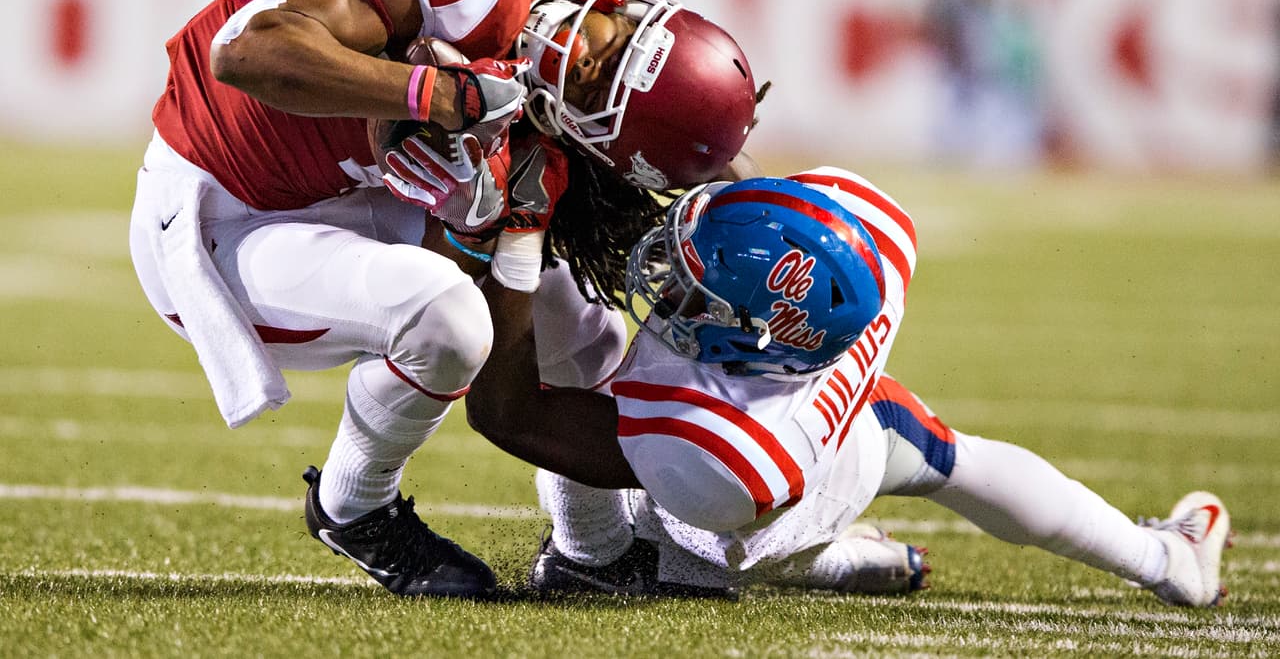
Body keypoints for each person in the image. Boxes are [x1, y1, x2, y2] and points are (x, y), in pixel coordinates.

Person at [128, 0, 759, 599]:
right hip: (214, 212)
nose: (577, 50)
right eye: (612, 39)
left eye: (592, 85)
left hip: (332, 200)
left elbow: (502, 397)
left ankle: (594, 548)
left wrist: (704, 469)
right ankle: (354, 504)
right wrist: (436, 96)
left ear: (593, 144)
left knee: (577, 319)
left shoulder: (537, 156)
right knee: (449, 315)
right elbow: (246, 51)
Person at [463, 169, 1232, 607]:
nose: (664, 278)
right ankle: (1162, 560)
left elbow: (511, 413)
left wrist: (522, 238)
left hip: (754, 492)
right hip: (790, 407)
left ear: (741, 339)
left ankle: (790, 553)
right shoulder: (858, 233)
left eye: (690, 291)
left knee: (598, 381)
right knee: (938, 450)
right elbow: (757, 204)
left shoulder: (706, 449)